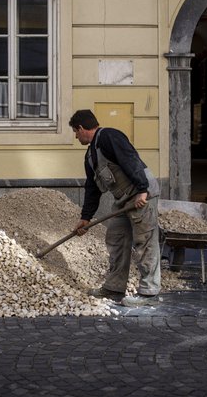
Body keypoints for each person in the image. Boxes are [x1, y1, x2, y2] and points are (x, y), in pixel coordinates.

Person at [69, 109, 161, 307]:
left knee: (144, 241)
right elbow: (92, 189)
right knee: (116, 238)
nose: (76, 137)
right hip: (123, 201)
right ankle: (114, 288)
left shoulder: (109, 136)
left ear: (82, 128)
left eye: (75, 132)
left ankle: (149, 293)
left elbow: (131, 159)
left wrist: (142, 190)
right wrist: (85, 217)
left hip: (140, 194)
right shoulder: (90, 156)